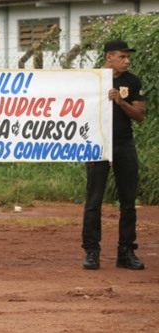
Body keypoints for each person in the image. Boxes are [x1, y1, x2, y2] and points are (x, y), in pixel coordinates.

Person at [81, 39, 146, 271]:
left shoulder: (131, 81)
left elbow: (139, 114)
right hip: (97, 145)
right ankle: (92, 251)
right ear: (109, 57)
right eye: (122, 57)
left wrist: (120, 101)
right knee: (94, 201)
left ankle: (126, 251)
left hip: (123, 144)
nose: (127, 61)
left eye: (128, 57)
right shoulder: (91, 80)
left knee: (128, 202)